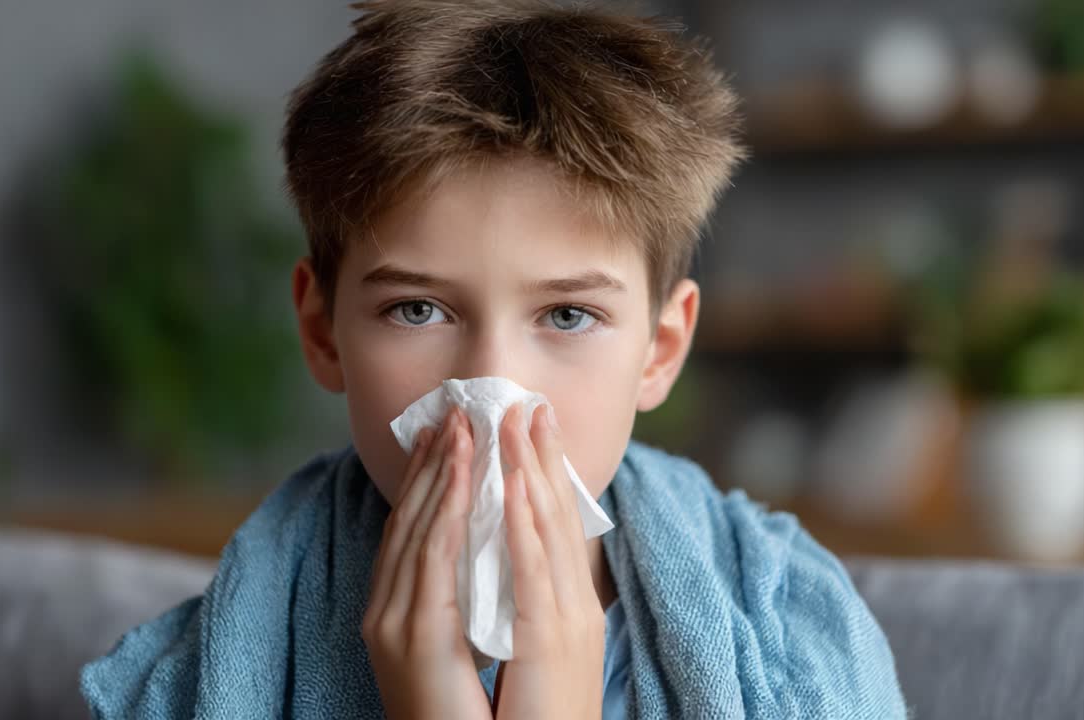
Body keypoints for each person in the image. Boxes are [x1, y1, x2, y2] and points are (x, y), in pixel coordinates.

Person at [81, 1, 908, 718]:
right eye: (417, 309)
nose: (496, 389)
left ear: (659, 350)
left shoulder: (795, 634)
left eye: (569, 314)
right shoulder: (198, 676)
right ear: (324, 331)